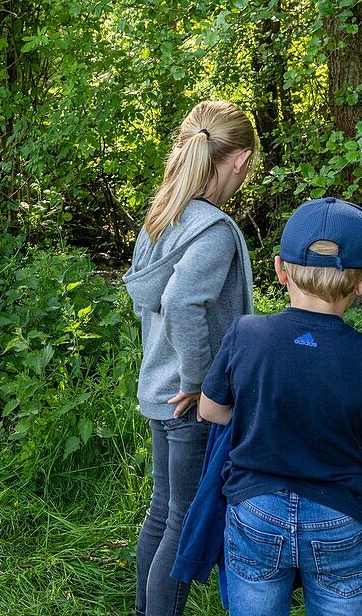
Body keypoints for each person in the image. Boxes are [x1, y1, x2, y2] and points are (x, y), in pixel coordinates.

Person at [198, 197, 362, 615]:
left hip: (255, 509)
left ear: (280, 270)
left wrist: (255, 415)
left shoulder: (246, 333)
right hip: (339, 517)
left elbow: (210, 410)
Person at [122, 100, 258, 616]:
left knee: (162, 513)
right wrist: (202, 383)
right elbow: (181, 302)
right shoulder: (213, 230)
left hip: (160, 389)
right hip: (188, 400)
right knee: (180, 519)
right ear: (240, 159)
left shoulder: (164, 217)